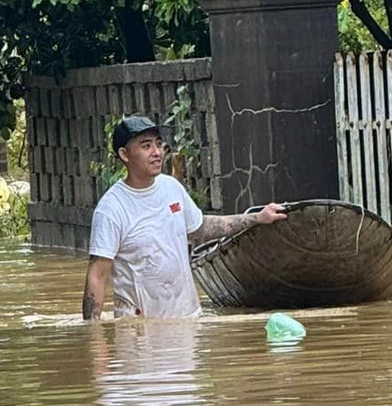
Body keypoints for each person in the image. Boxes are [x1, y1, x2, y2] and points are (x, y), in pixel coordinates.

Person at [83, 115, 286, 319]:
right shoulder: (111, 209)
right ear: (125, 154)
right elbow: (98, 275)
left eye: (159, 144)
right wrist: (93, 337)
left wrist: (257, 218)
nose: (156, 153)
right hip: (139, 332)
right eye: (146, 146)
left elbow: (200, 228)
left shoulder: (171, 188)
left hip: (187, 321)